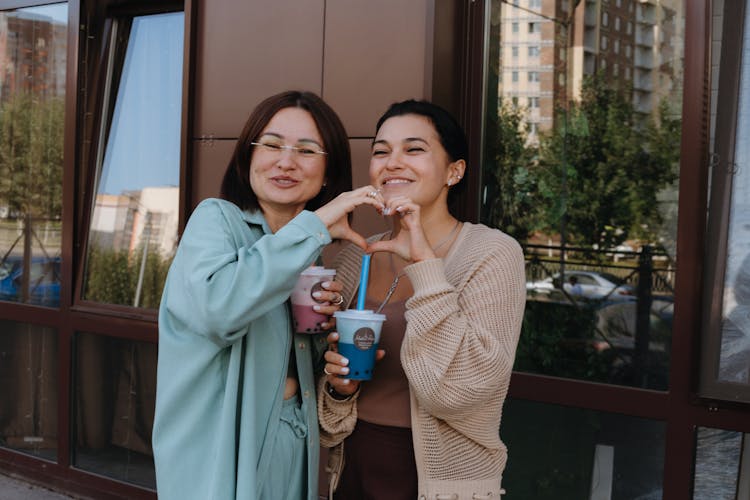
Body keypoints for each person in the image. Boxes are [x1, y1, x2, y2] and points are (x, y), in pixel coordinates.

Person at [152, 90, 382, 500]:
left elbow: (283, 362)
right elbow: (219, 310)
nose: (286, 161)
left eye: (306, 151)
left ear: (328, 172)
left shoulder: (306, 256)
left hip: (292, 443)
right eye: (272, 145)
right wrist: (315, 226)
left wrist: (325, 347)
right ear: (247, 157)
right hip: (220, 458)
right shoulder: (215, 220)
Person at [318, 100, 527, 500]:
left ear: (455, 171)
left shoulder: (492, 253)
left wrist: (425, 264)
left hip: (442, 485)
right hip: (351, 470)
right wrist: (338, 388)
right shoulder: (357, 256)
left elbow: (461, 391)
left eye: (413, 149)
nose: (392, 162)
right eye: (381, 151)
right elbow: (326, 409)